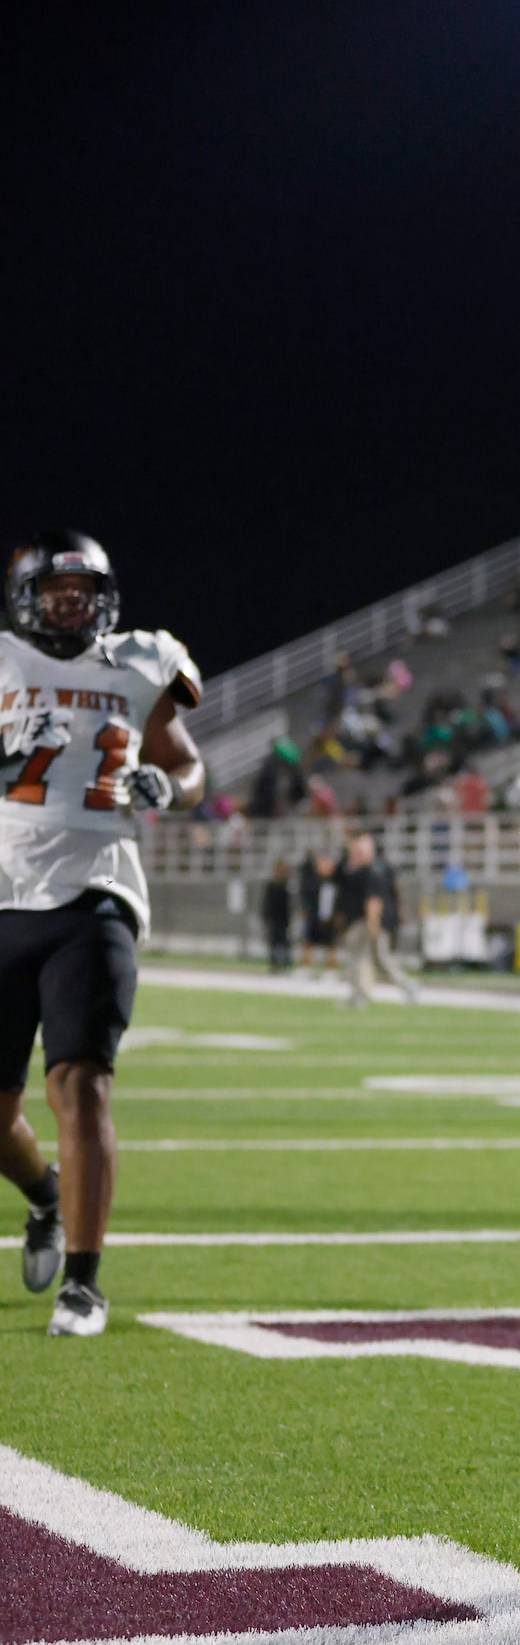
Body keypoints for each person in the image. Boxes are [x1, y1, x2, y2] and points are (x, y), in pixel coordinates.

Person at [0, 531, 204, 1336]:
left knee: (80, 1084)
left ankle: (83, 1285)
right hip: (4, 892)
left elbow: (188, 766)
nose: (72, 603)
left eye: (84, 590)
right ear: (27, 598)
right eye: (57, 592)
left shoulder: (140, 659)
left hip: (98, 892)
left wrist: (171, 786)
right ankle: (47, 1195)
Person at [335, 831, 418, 1008]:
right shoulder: (360, 869)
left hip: (372, 920)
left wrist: (374, 922)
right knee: (363, 957)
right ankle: (361, 995)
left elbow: (375, 899)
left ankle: (406, 985)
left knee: (378, 958)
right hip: (364, 919)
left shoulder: (375, 870)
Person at [298, 851, 339, 973]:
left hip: (329, 916)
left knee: (330, 943)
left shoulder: (334, 880)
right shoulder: (313, 881)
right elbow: (306, 896)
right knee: (308, 941)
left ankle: (330, 969)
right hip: (315, 915)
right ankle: (305, 967)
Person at [261, 858, 293, 972]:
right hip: (274, 918)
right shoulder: (272, 884)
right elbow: (267, 902)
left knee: (283, 942)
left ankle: (284, 964)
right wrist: (266, 916)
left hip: (283, 918)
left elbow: (288, 904)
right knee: (274, 942)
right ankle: (274, 964)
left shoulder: (286, 884)